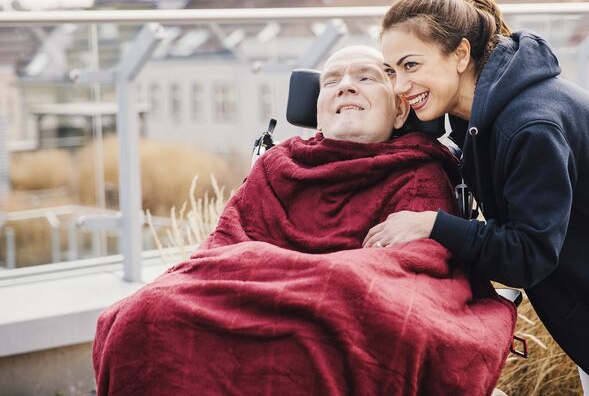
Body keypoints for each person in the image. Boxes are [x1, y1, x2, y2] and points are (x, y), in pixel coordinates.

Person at [93, 46, 517, 396]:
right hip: (255, 300)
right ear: (317, 108)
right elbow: (223, 245)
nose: (346, 84)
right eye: (332, 81)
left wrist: (325, 276)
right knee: (141, 312)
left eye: (366, 78)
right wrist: (283, 270)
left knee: (350, 292)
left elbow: (425, 264)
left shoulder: (419, 171)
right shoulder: (278, 165)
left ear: (401, 112)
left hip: (346, 302)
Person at [366, 0, 589, 396]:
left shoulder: (531, 126)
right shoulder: (483, 110)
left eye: (411, 65)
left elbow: (528, 255)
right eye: (391, 71)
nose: (401, 85)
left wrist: (433, 226)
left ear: (460, 54)